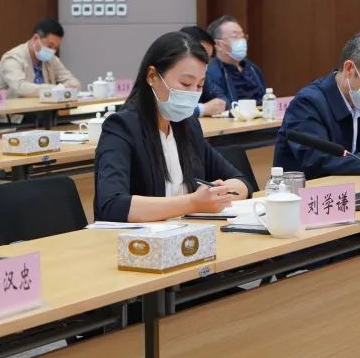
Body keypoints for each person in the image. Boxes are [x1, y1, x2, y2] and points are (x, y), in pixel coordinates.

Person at [94, 31, 250, 222]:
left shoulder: (188, 125)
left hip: (189, 233)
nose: (193, 94)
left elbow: (241, 182)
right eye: (186, 83)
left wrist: (220, 194)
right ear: (152, 76)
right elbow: (111, 205)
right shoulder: (122, 127)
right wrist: (193, 203)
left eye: (200, 85)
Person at [274, 30, 360, 178]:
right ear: (349, 69)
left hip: (348, 188)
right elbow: (318, 161)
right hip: (304, 190)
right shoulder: (308, 103)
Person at [0, 18, 81, 97]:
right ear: (35, 39)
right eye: (50, 46)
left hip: (41, 109)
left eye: (56, 48)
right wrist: (57, 88)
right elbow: (20, 87)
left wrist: (73, 84)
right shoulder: (12, 58)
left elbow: (70, 79)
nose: (52, 51)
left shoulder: (51, 59)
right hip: (10, 110)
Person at [204, 15, 266, 104]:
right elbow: (222, 105)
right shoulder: (211, 73)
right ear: (219, 44)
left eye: (243, 36)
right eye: (235, 36)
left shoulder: (252, 68)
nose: (242, 41)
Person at [179, 25, 227, 116]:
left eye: (208, 58)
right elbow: (172, 110)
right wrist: (203, 109)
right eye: (202, 56)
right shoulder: (170, 72)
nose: (206, 62)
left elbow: (223, 100)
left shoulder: (203, 75)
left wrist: (216, 106)